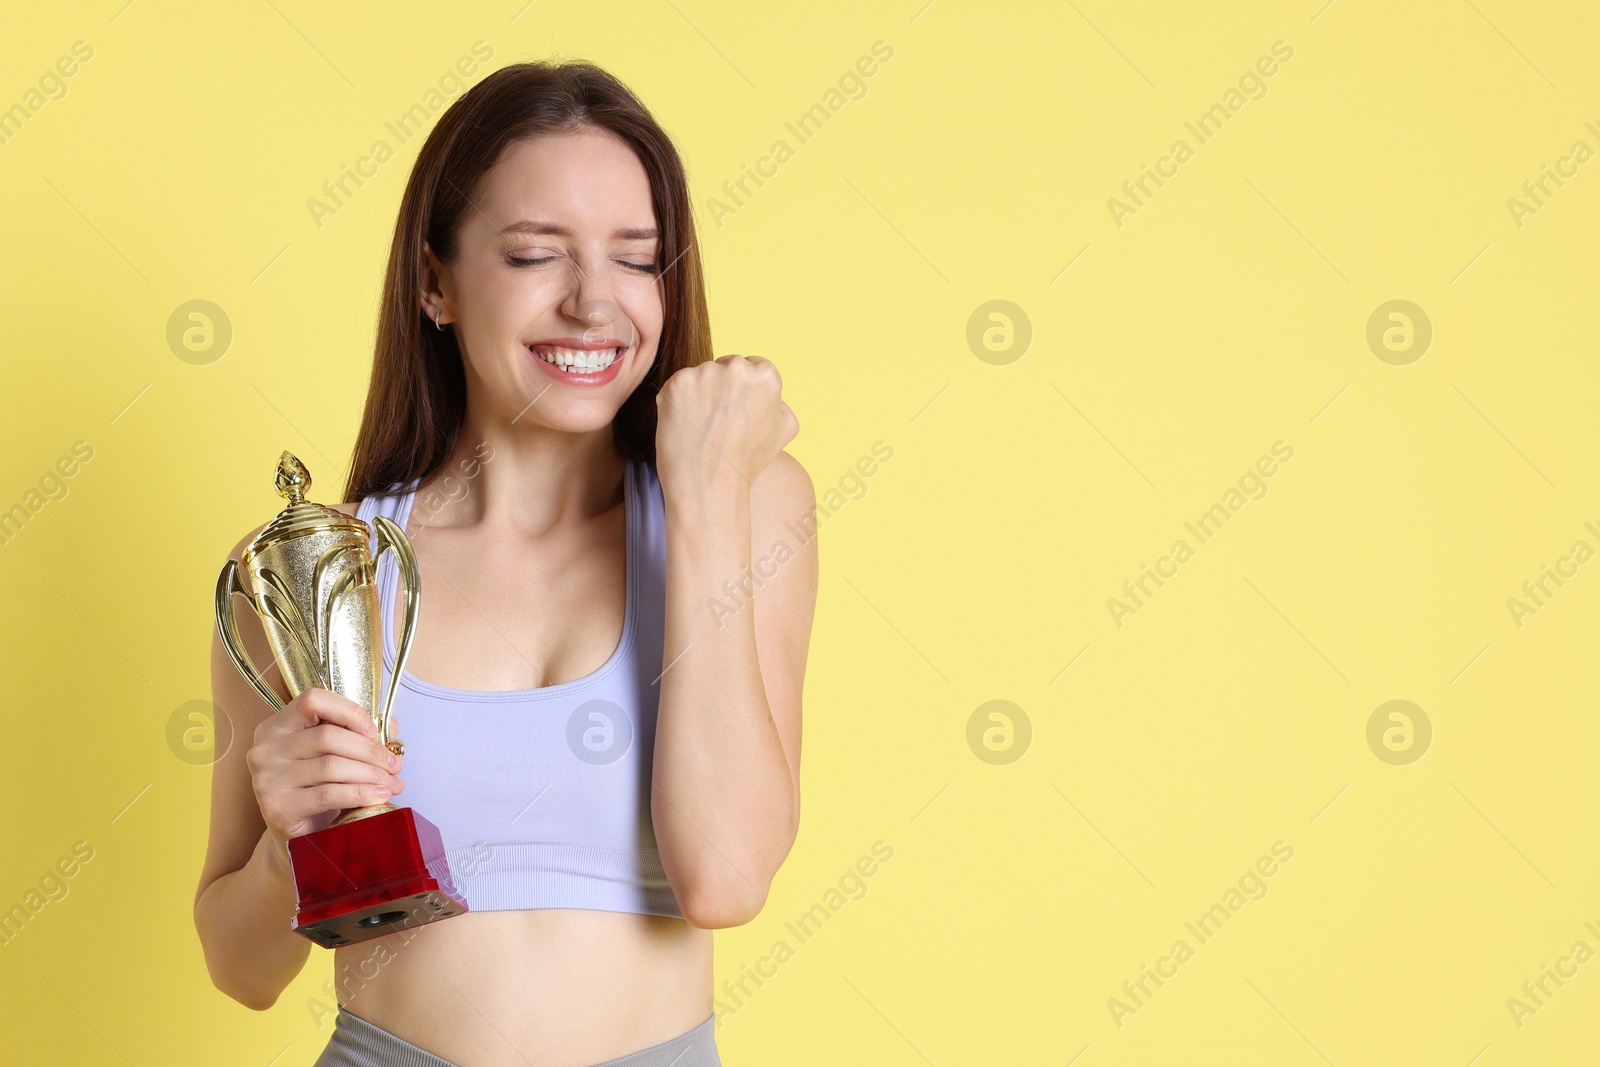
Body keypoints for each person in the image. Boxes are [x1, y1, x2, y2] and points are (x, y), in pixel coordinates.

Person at [193, 59, 817, 1067]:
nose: (593, 304)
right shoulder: (316, 570)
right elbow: (242, 968)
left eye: (637, 257)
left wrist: (697, 494)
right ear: (434, 281)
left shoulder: (749, 506)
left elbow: (727, 878)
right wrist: (284, 845)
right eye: (535, 254)